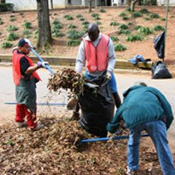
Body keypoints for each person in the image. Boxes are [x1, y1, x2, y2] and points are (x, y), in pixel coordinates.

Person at [107, 82, 175, 175]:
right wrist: (165, 126)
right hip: (155, 119)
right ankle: (169, 172)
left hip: (134, 120)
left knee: (133, 143)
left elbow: (119, 111)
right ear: (144, 86)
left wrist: (111, 129)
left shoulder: (129, 95)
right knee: (162, 146)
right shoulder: (152, 90)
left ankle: (131, 169)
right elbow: (167, 108)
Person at [68, 22, 121, 118]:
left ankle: (122, 117)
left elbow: (112, 58)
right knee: (81, 92)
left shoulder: (107, 41)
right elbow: (80, 60)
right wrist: (77, 73)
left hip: (105, 72)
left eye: (93, 35)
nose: (91, 37)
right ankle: (75, 113)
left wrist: (109, 71)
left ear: (98, 32)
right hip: (90, 73)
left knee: (114, 92)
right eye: (89, 34)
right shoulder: (84, 42)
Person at [12, 38, 47, 131]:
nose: (29, 50)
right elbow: (27, 70)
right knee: (30, 104)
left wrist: (30, 47)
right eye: (26, 47)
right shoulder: (22, 58)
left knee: (20, 102)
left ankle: (19, 121)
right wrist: (38, 66)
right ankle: (33, 125)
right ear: (20, 47)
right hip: (26, 85)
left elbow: (14, 48)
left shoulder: (15, 53)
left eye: (29, 47)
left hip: (19, 83)